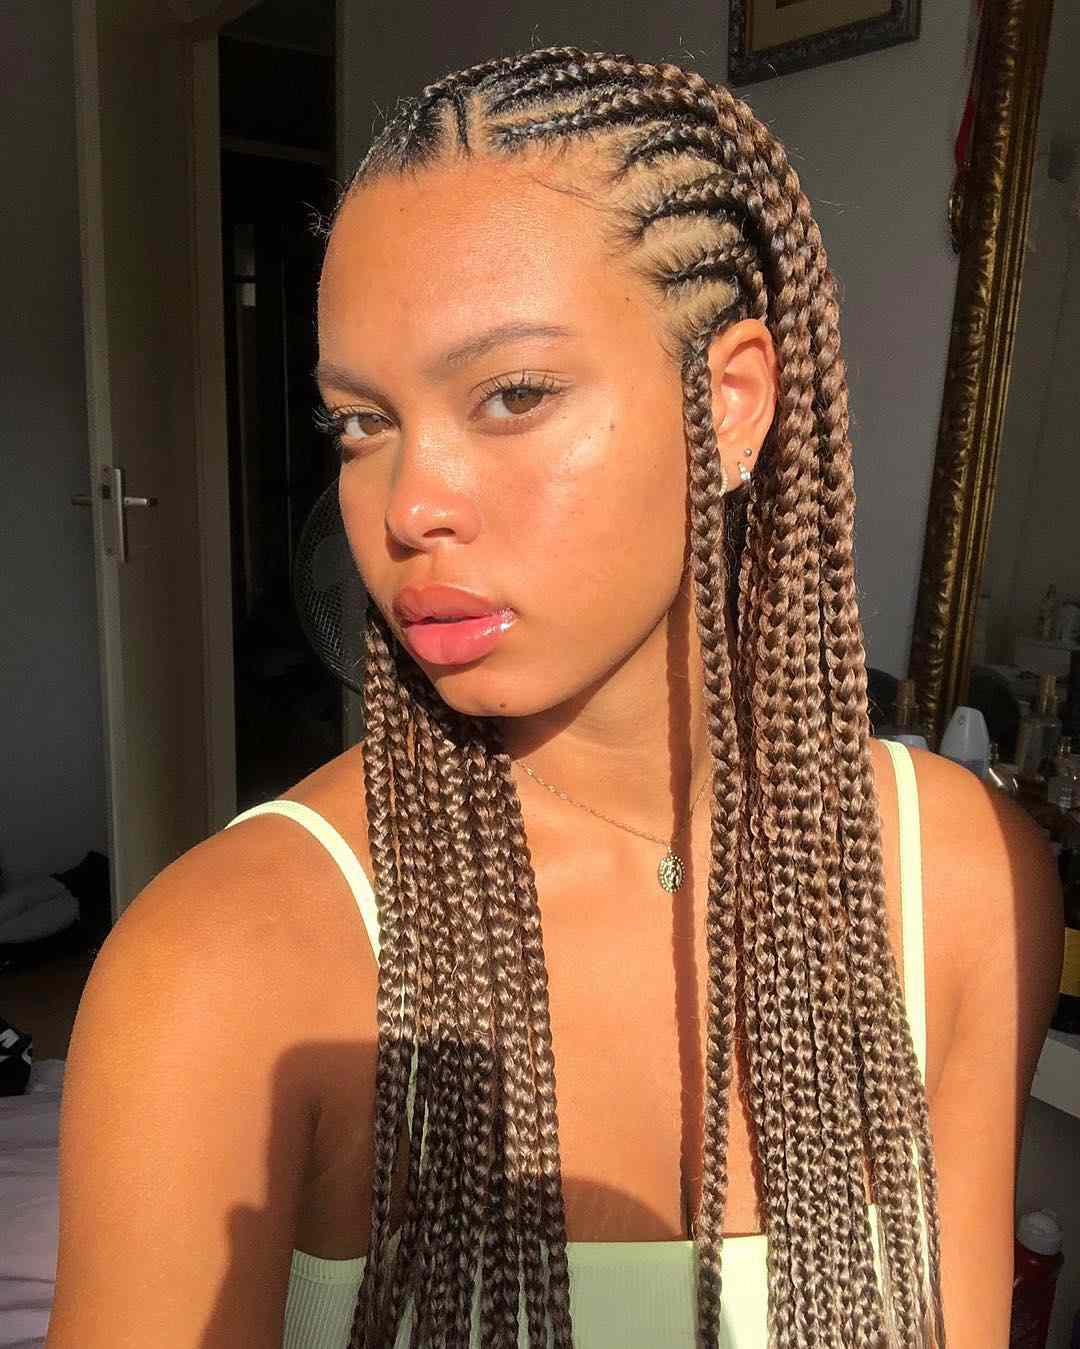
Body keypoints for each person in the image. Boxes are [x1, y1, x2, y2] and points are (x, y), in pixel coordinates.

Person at [46, 47, 1062, 1349]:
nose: (409, 504)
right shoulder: (224, 970)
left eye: (512, 394)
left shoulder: (962, 881)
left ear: (732, 400)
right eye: (360, 423)